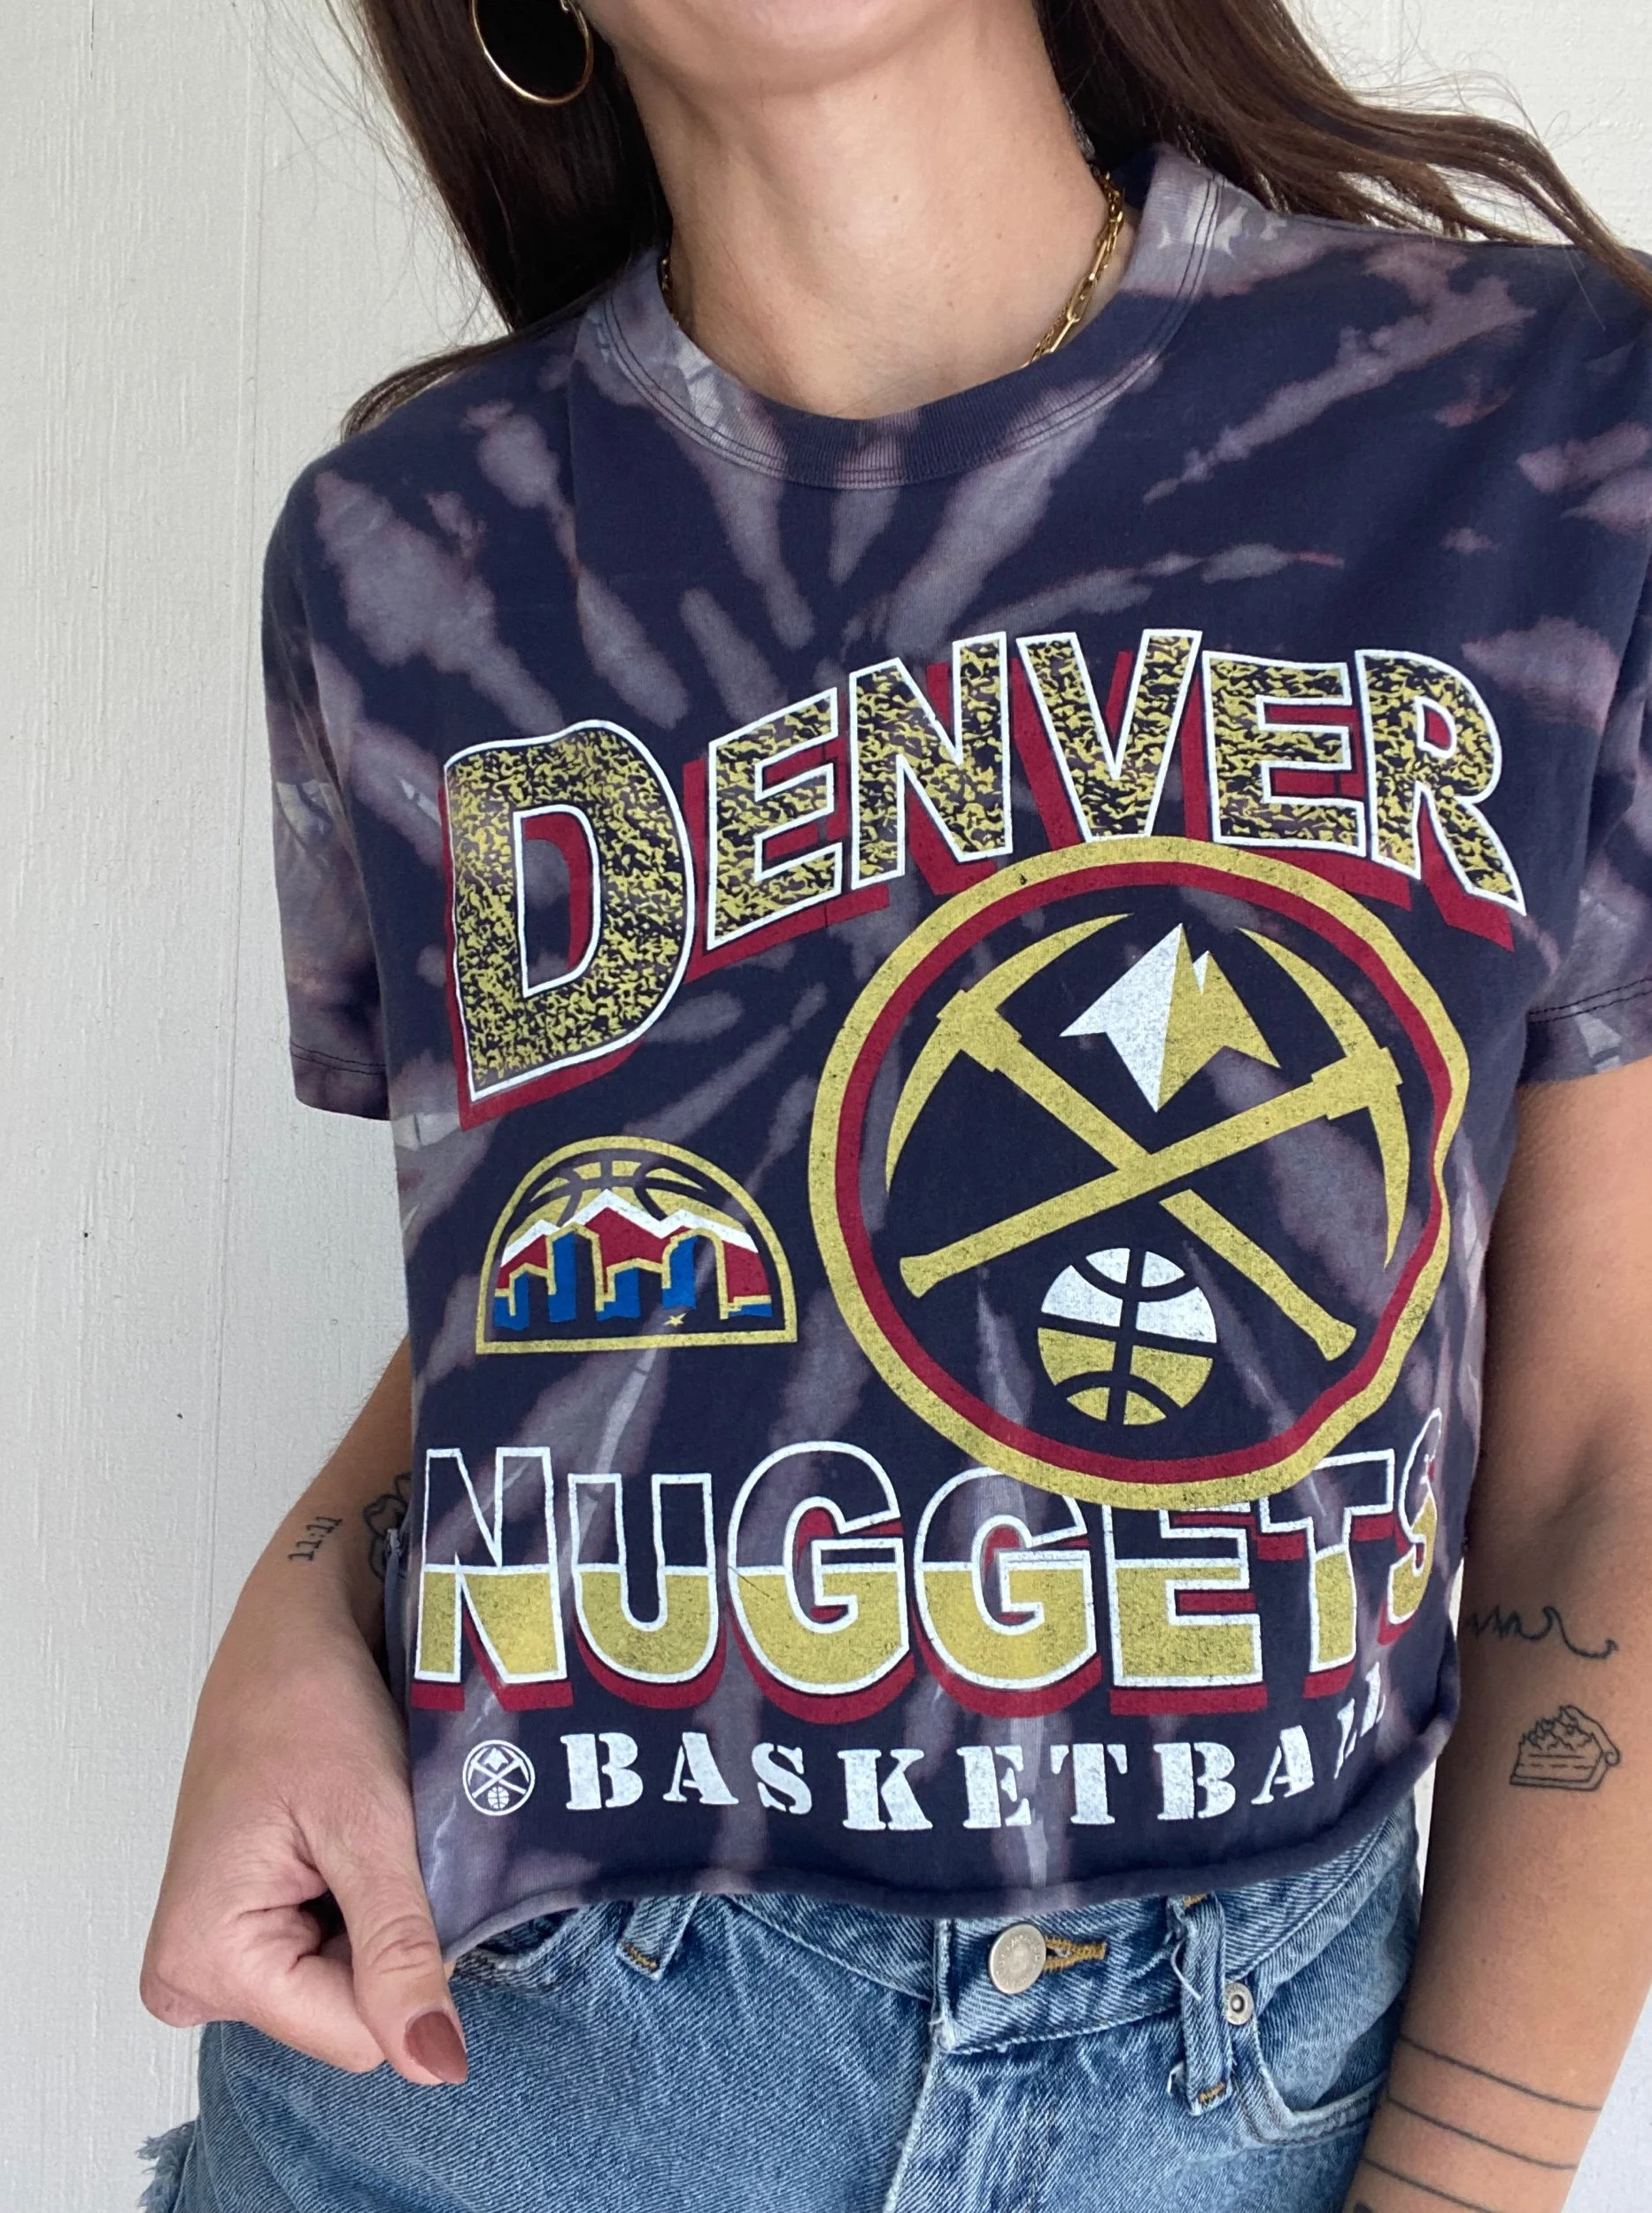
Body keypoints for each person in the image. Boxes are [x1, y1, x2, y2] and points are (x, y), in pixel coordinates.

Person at [137, 2, 1652, 2208]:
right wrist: (303, 1590)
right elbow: (591, 1264)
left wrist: (1463, 2182)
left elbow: (1608, 1450)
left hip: (1230, 2094)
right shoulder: (409, 559)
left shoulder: (1536, 427)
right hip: (490, 2064)